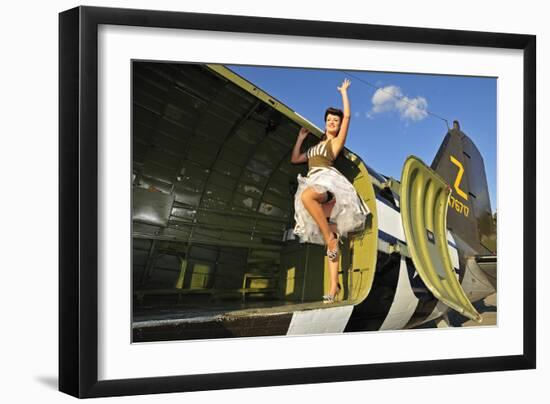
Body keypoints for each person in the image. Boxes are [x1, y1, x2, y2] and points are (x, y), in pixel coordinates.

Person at [290, 78, 370, 304]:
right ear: (324, 123)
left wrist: (343, 92)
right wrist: (301, 138)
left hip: (328, 183)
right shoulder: (315, 146)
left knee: (308, 198)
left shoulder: (335, 143)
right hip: (312, 178)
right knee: (331, 238)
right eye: (330, 120)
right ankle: (334, 287)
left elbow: (348, 117)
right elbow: (295, 158)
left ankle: (330, 238)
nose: (333, 122)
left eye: (335, 120)